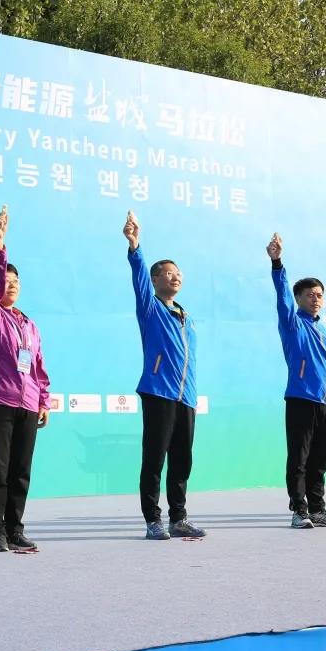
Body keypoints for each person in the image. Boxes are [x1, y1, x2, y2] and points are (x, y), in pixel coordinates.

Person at [123, 211, 206, 540]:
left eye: (178, 273)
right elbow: (139, 280)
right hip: (159, 391)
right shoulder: (151, 308)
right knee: (155, 459)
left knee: (182, 460)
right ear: (156, 280)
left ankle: (178, 518)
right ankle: (152, 520)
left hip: (186, 397)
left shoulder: (185, 316)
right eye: (169, 273)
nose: (176, 277)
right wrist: (135, 246)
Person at [0, 206, 51, 552]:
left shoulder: (28, 324)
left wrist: (43, 400)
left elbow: (38, 367)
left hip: (27, 404)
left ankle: (16, 528)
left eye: (16, 281)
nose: (12, 285)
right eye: (6, 281)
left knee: (21, 471)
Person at [267, 233, 326, 529]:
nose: (316, 299)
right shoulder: (293, 324)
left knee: (320, 461)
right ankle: (299, 510)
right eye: (310, 294)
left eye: (320, 295)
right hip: (301, 399)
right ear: (298, 298)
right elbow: (282, 298)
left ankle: (318, 508)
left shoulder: (325, 332)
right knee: (299, 459)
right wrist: (277, 263)